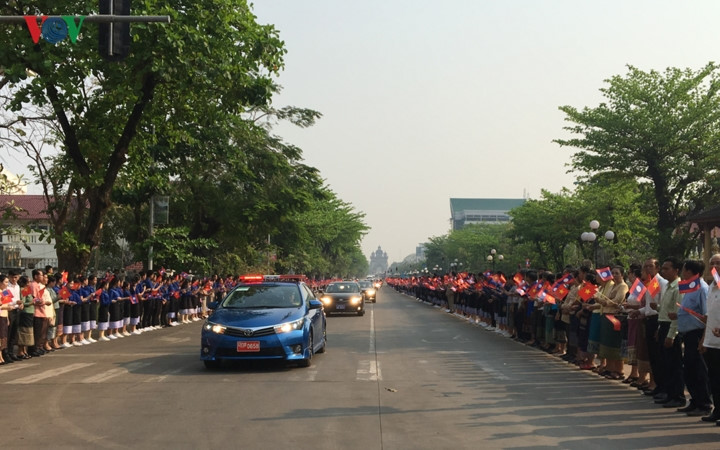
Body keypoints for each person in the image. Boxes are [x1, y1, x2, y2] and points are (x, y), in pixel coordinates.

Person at [673, 259, 711, 416]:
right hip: (687, 334)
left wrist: (703, 338)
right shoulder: (689, 288)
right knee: (688, 370)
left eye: (683, 270)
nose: (682, 273)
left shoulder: (702, 288)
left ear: (690, 272)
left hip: (696, 334)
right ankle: (694, 400)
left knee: (698, 370)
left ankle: (704, 403)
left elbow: (705, 315)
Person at [654, 256, 685, 408]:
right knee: (666, 363)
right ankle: (669, 393)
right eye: (663, 268)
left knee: (674, 364)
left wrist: (671, 335)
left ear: (676, 270)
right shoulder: (668, 286)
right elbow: (666, 310)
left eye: (667, 268)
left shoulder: (679, 287)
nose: (663, 271)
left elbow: (676, 313)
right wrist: (657, 309)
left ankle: (678, 396)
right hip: (664, 324)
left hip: (672, 327)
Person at [701, 253, 720, 424]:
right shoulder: (711, 286)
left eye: (718, 263)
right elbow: (709, 316)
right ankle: (717, 410)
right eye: (712, 263)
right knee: (714, 378)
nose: (715, 265)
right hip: (711, 341)